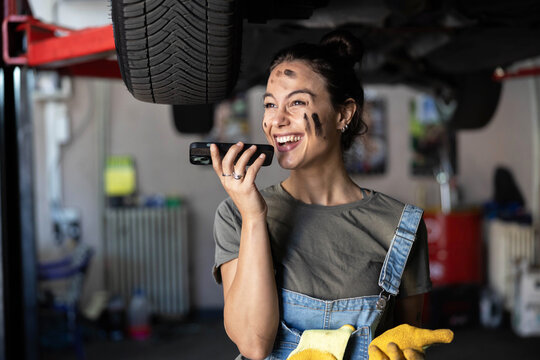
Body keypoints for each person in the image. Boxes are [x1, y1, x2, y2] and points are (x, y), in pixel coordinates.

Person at [210, 30, 432, 360]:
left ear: (344, 114)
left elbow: (411, 338)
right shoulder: (237, 214)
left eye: (297, 102)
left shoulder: (401, 225)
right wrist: (255, 217)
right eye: (270, 104)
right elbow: (253, 345)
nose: (276, 120)